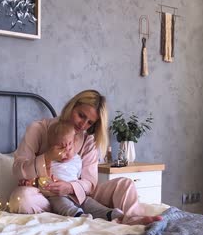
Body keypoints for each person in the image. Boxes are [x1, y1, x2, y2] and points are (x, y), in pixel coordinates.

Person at [9, 89, 163, 225]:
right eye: (81, 115)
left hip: (78, 195)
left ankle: (132, 218)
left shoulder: (88, 142)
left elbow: (90, 183)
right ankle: (63, 209)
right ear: (71, 106)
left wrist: (69, 187)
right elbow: (18, 170)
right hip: (42, 194)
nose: (83, 125)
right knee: (22, 198)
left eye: (90, 123)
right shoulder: (38, 129)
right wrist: (48, 157)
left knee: (125, 184)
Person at [23, 120, 125, 221]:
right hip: (55, 195)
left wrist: (73, 188)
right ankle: (78, 216)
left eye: (69, 147)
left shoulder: (77, 160)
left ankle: (107, 213)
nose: (65, 152)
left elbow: (82, 179)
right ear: (51, 148)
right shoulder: (48, 161)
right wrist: (30, 182)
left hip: (74, 193)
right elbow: (39, 178)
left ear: (74, 144)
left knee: (89, 202)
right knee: (63, 205)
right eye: (60, 148)